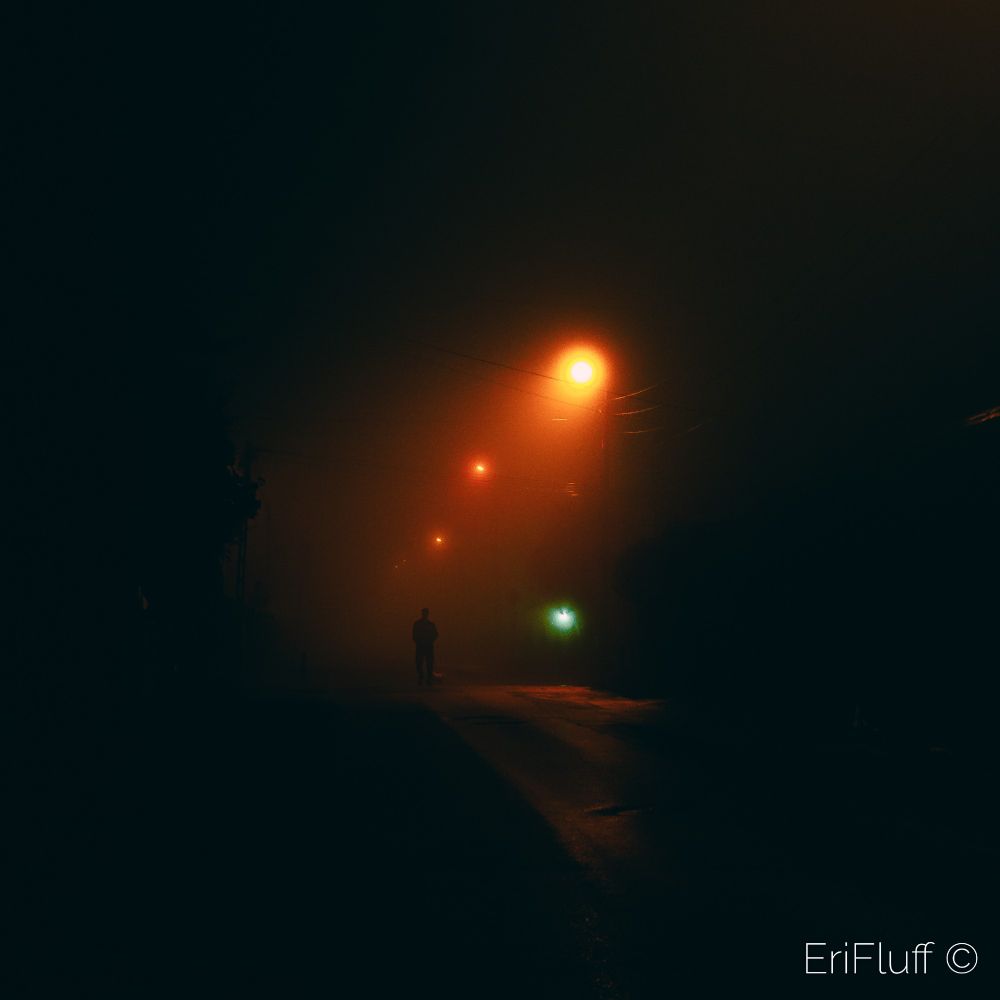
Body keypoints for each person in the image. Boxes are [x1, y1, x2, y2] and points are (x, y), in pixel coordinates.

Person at [412, 607, 439, 686]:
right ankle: (424, 677)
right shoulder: (424, 624)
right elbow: (414, 635)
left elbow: (435, 634)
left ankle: (426, 678)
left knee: (427, 663)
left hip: (424, 646)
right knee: (421, 663)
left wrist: (428, 641)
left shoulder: (421, 624)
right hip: (425, 646)